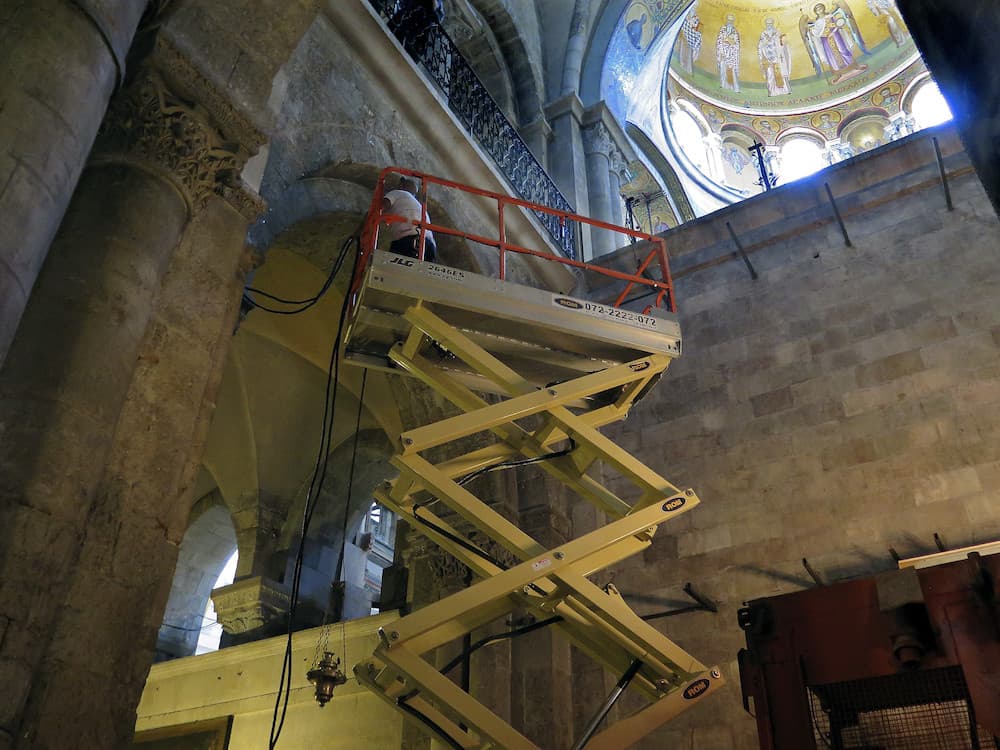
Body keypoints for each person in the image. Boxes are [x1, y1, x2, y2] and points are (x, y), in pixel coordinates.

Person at [382, 177, 437, 262]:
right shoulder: (420, 207)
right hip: (430, 247)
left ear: (401, 186)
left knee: (391, 269)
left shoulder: (398, 193)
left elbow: (379, 209)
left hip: (410, 239)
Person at [758, 18, 791, 96]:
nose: (769, 25)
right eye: (767, 24)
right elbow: (760, 46)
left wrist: (781, 40)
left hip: (777, 57)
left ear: (773, 24)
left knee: (781, 74)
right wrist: (764, 43)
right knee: (770, 75)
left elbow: (782, 43)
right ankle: (772, 92)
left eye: (770, 24)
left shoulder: (777, 32)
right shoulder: (763, 34)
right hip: (768, 58)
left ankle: (784, 90)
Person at [716, 15, 741, 92]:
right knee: (723, 69)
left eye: (731, 21)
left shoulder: (735, 32)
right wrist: (721, 51)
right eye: (729, 20)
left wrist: (730, 42)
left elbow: (737, 44)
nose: (730, 22)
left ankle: (734, 87)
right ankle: (723, 85)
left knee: (732, 71)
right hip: (723, 53)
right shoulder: (722, 30)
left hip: (732, 55)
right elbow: (719, 41)